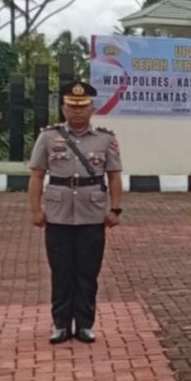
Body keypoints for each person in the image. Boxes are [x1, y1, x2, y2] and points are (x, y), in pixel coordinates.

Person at [28, 81, 122, 344]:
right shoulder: (48, 137)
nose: (77, 111)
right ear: (63, 108)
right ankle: (60, 324)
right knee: (61, 271)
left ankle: (84, 324)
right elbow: (36, 176)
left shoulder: (105, 138)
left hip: (92, 215)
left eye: (83, 106)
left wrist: (115, 209)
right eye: (72, 106)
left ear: (92, 109)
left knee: (87, 272)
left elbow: (114, 176)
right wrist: (36, 209)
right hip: (57, 215)